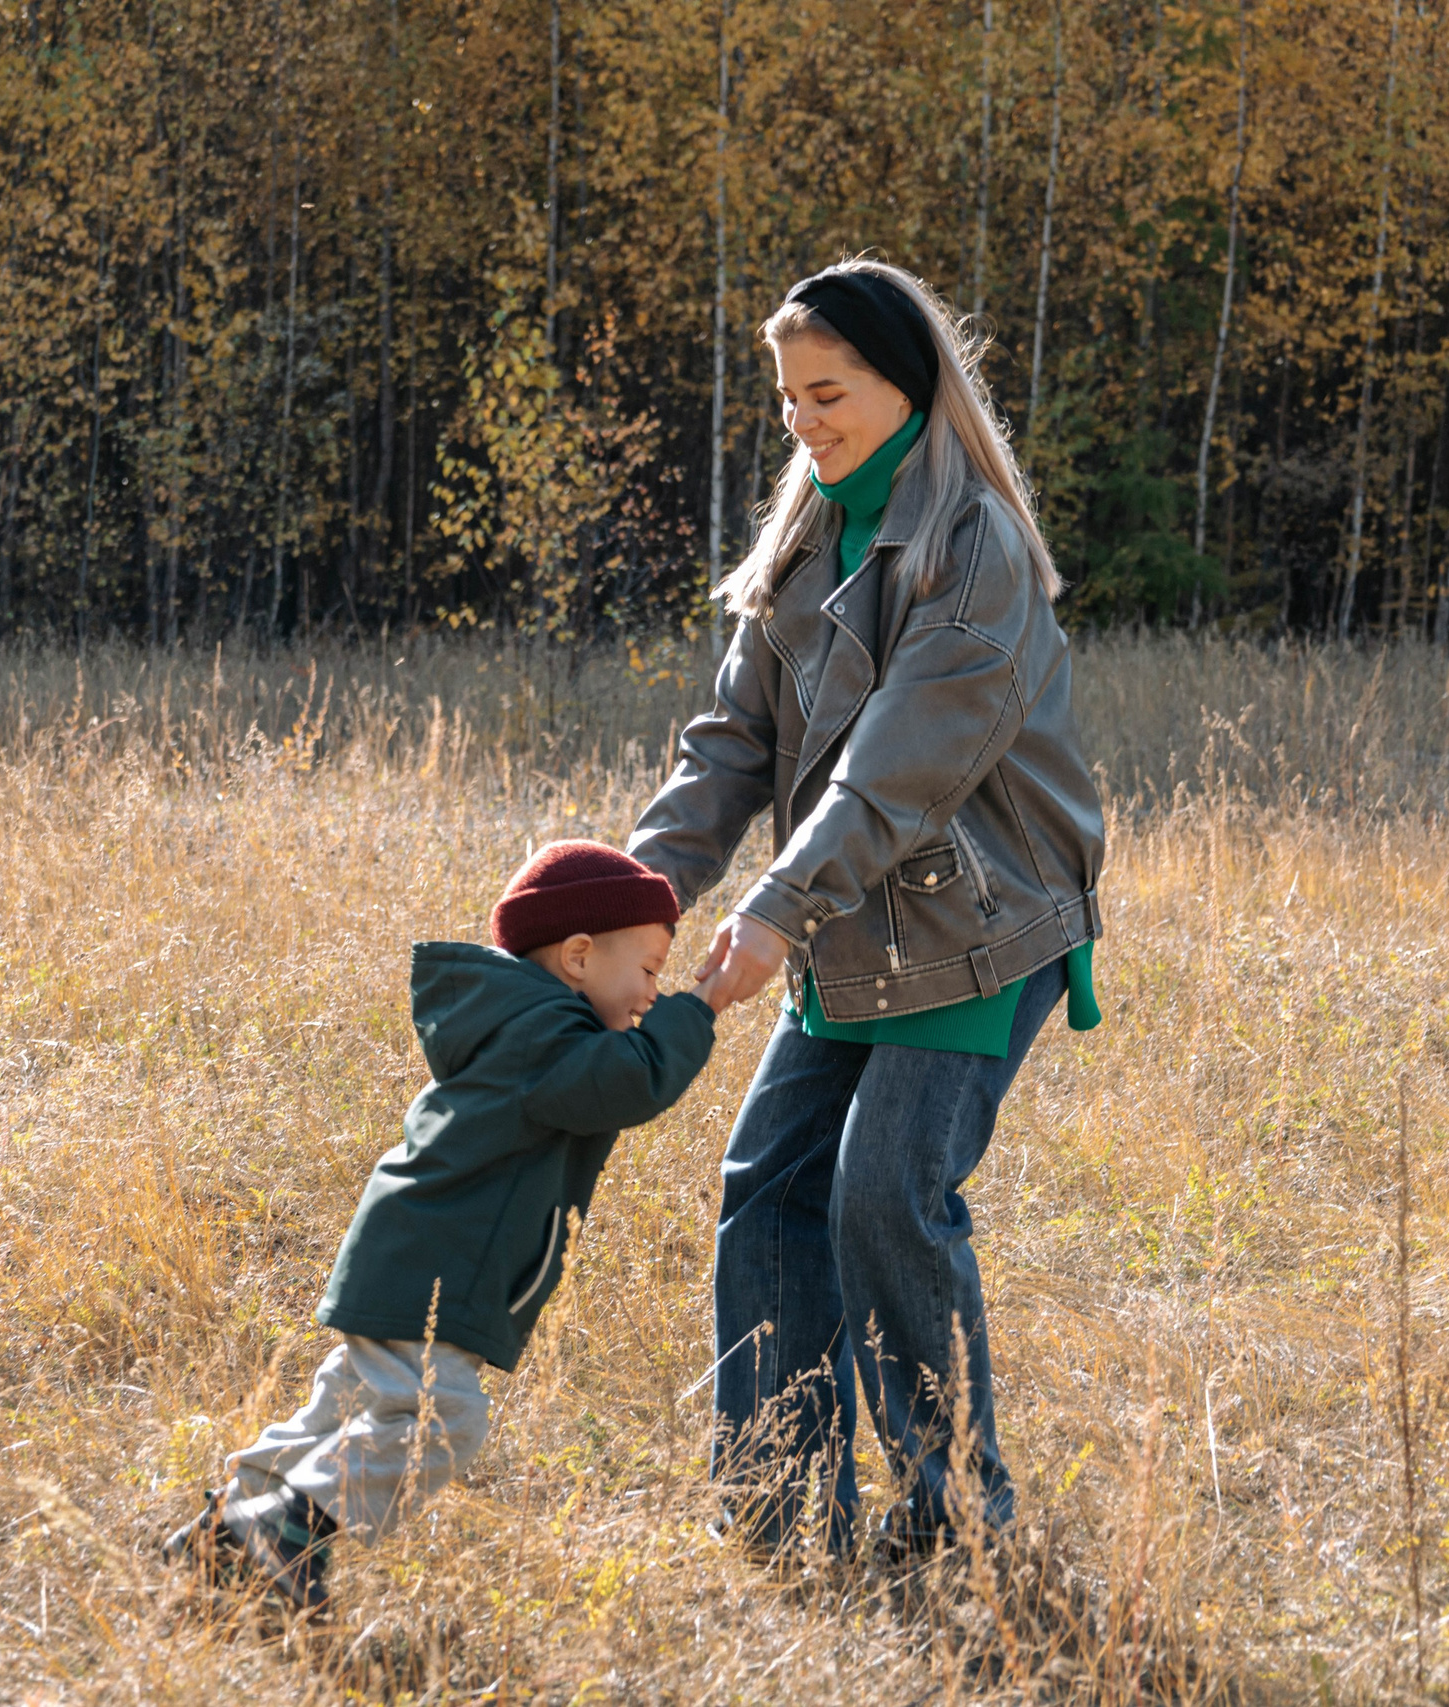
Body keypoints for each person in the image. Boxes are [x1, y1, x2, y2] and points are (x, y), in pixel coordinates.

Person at [627, 258, 1106, 1563]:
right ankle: (787, 1501)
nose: (805, 422)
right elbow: (732, 739)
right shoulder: (803, 539)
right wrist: (640, 893)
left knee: (886, 1196)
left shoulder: (975, 549)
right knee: (769, 1182)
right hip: (848, 922)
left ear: (909, 383)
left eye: (826, 393)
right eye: (787, 400)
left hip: (977, 926)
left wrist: (774, 908)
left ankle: (961, 1515)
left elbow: (900, 763)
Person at [164, 840, 720, 1611]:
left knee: (348, 1409)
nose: (656, 991)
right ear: (580, 954)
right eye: (652, 970)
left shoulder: (524, 1019)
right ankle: (286, 1534)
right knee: (439, 1417)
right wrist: (703, 1010)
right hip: (438, 1271)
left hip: (411, 1253)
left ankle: (228, 1525)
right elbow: (628, 1082)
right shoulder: (544, 1036)